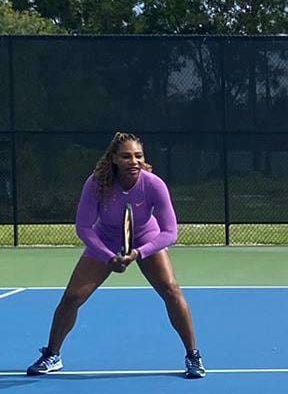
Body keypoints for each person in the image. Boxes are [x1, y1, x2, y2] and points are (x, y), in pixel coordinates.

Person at [26, 132, 206, 378]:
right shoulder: (96, 183)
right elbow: (84, 228)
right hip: (106, 240)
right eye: (126, 156)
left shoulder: (153, 184)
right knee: (72, 297)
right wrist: (108, 256)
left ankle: (193, 356)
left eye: (138, 156)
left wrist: (138, 252)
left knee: (171, 289)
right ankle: (52, 355)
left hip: (145, 238)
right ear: (114, 159)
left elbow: (170, 232)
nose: (134, 161)